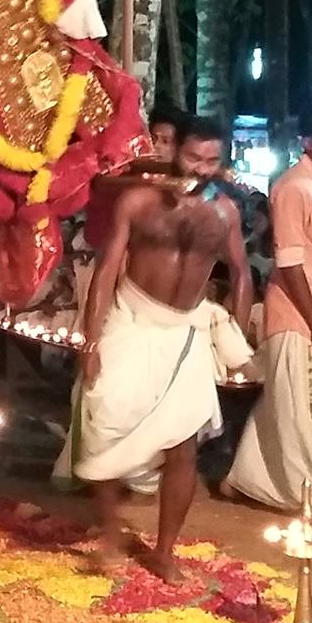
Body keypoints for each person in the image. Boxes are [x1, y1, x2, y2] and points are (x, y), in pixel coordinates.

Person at [74, 118, 253, 580]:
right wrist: (91, 341)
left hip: (184, 332)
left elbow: (241, 272)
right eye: (195, 157)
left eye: (214, 160)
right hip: (130, 322)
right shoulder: (139, 202)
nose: (203, 168)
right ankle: (112, 534)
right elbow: (108, 269)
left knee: (183, 446)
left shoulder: (225, 214)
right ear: (175, 154)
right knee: (104, 419)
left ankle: (165, 551)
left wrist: (236, 328)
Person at [226, 110, 312, 512]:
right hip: (296, 313)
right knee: (296, 406)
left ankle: (248, 479)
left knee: (290, 403)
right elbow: (290, 263)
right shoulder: (293, 187)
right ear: (306, 141)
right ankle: (297, 490)